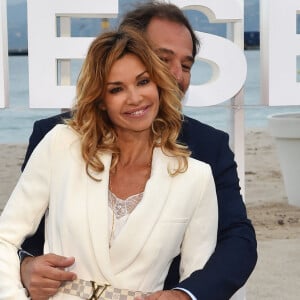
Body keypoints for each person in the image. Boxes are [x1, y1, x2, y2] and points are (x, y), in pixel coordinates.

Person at [19, 2, 257, 300]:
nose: (177, 74)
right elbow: (22, 234)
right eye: (163, 58)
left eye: (186, 65)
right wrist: (26, 268)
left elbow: (237, 238)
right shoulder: (56, 137)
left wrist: (185, 294)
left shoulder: (208, 147)